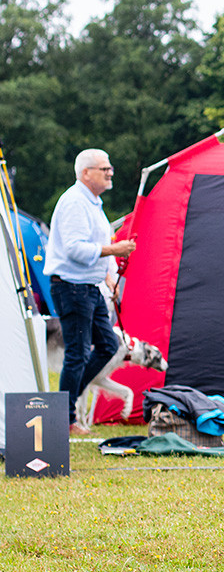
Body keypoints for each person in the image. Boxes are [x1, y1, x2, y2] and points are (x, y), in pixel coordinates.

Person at [44, 148, 136, 436]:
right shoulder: (74, 202)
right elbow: (75, 249)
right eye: (104, 169)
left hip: (90, 287)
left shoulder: (93, 202)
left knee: (108, 345)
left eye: (110, 168)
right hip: (71, 287)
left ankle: (67, 402)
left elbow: (96, 244)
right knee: (78, 353)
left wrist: (109, 278)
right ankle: (65, 419)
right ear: (85, 173)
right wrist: (115, 250)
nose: (110, 173)